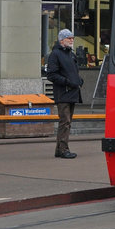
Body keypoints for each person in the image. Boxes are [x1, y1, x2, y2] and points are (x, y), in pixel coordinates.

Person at [46, 28, 83, 159]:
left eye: (72, 38)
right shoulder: (55, 54)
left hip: (72, 92)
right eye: (69, 38)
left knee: (67, 122)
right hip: (64, 93)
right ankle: (63, 149)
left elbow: (73, 71)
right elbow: (51, 74)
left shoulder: (70, 54)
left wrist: (78, 80)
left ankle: (60, 149)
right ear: (62, 40)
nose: (72, 40)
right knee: (65, 122)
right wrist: (68, 82)